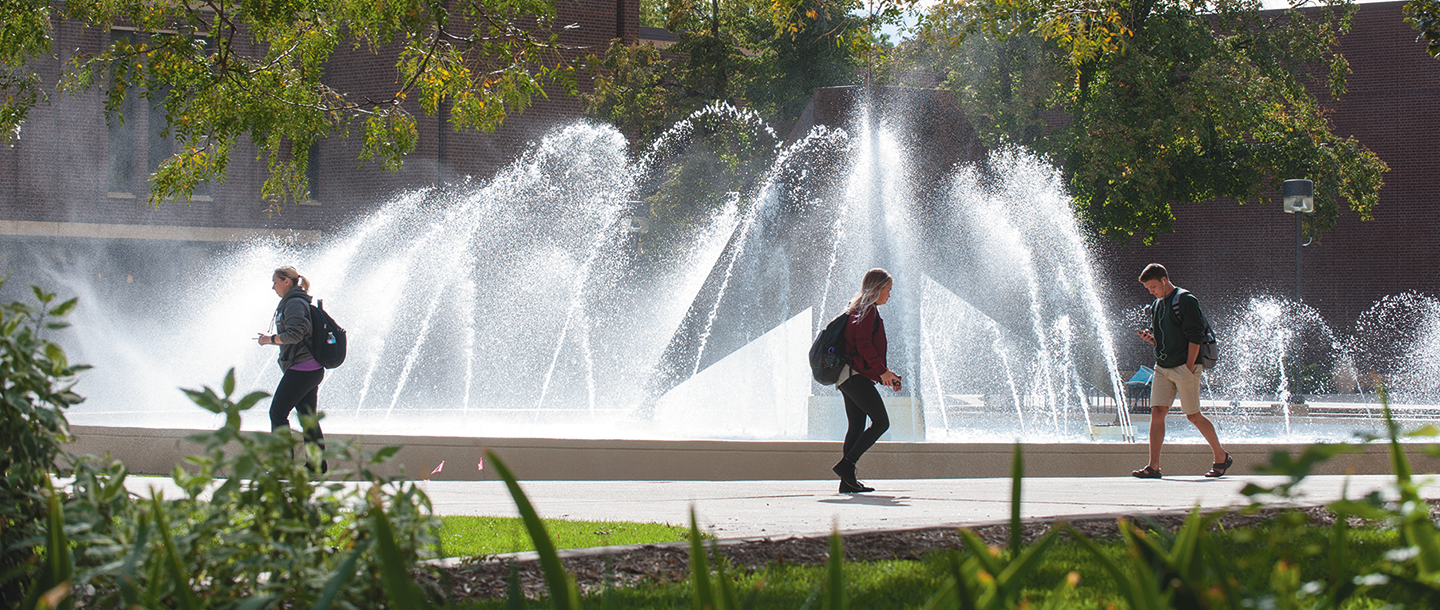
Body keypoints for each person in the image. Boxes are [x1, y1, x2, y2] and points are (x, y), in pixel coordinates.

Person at [1132, 263, 1231, 479]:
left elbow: (1196, 336)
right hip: (1162, 367)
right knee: (1157, 413)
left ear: (1164, 280)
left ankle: (1221, 456)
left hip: (1185, 367)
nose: (1151, 291)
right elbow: (1165, 340)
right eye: (1148, 288)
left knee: (1193, 416)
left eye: (1153, 287)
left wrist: (1188, 367)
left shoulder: (1185, 300)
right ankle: (1153, 466)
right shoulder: (1157, 305)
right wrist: (1152, 340)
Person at [832, 268, 902, 493]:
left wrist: (885, 374)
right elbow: (863, 344)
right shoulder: (868, 310)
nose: (890, 295)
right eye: (888, 290)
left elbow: (861, 348)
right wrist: (881, 372)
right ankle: (846, 466)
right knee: (881, 423)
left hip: (848, 376)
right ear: (878, 288)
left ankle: (847, 482)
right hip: (855, 376)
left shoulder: (859, 309)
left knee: (856, 426)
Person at [257, 266, 327, 473]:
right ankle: (316, 466)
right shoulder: (296, 301)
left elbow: (296, 334)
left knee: (277, 413)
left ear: (287, 282)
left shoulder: (295, 303)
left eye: (275, 282)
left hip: (302, 369)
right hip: (309, 368)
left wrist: (269, 340)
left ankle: (283, 466)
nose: (273, 287)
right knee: (307, 418)